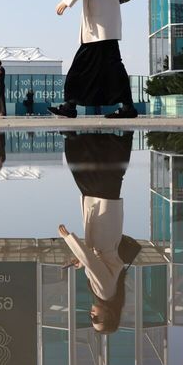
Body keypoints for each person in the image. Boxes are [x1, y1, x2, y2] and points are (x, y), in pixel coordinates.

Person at [58, 131, 136, 334]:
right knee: (89, 171)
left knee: (103, 172)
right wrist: (69, 239)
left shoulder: (109, 291)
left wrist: (80, 262)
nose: (91, 314)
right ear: (109, 314)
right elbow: (93, 261)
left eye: (91, 318)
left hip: (106, 220)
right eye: (96, 318)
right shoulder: (105, 292)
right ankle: (75, 136)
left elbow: (95, 262)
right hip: (102, 222)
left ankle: (111, 136)